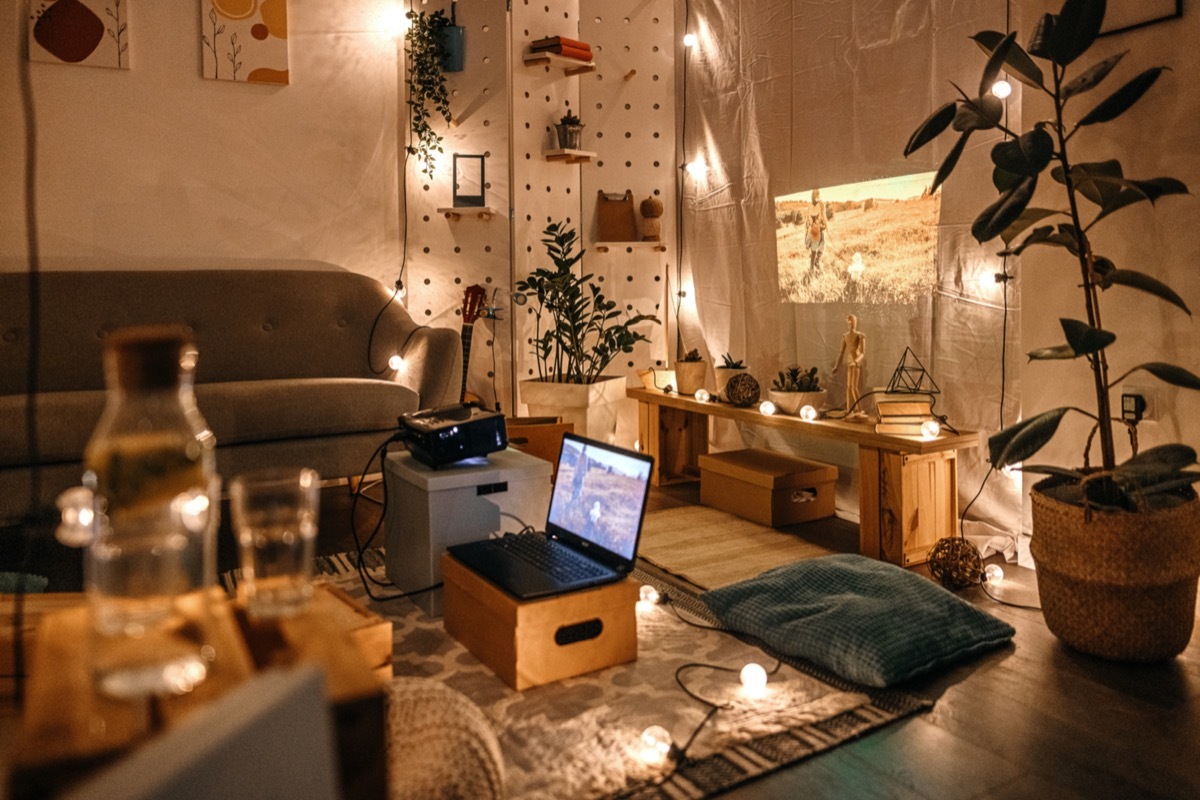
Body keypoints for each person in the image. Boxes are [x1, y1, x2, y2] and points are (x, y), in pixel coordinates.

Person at [832, 314, 866, 416]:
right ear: (847, 323)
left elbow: (863, 353)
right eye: (849, 322)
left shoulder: (860, 336)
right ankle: (849, 409)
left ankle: (859, 410)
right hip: (849, 362)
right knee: (848, 386)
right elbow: (841, 353)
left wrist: (856, 362)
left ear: (856, 323)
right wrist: (836, 366)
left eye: (853, 322)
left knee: (854, 387)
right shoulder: (845, 336)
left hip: (855, 363)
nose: (851, 324)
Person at [804, 189, 829, 270]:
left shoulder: (821, 205)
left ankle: (816, 263)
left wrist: (827, 229)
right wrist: (806, 233)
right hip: (814, 231)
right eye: (817, 195)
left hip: (819, 230)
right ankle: (812, 267)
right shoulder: (811, 206)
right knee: (814, 250)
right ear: (813, 196)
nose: (818, 197)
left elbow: (824, 218)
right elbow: (807, 220)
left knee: (821, 247)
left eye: (819, 195)